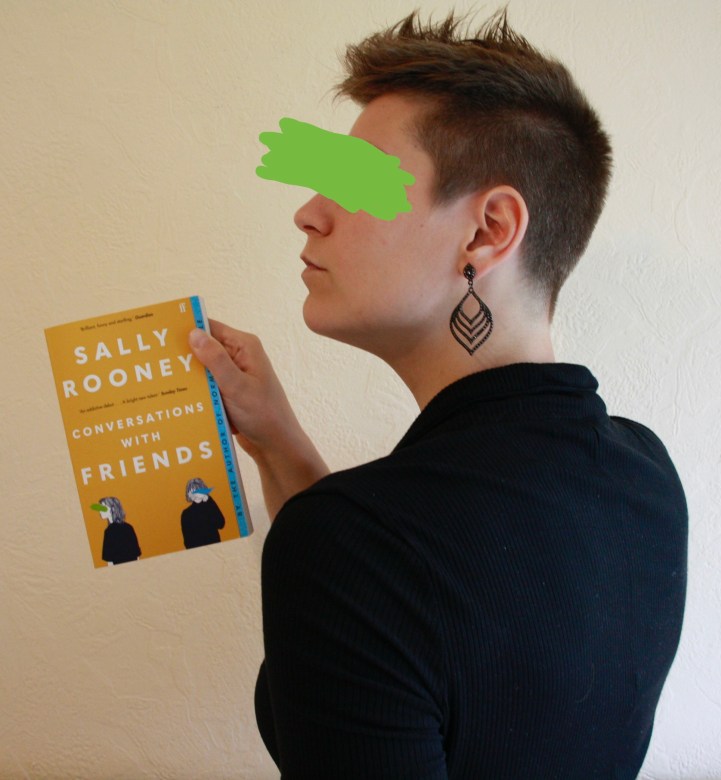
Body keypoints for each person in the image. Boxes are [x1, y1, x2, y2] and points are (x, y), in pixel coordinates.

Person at [189, 9, 688, 778]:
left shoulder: (356, 540)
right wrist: (279, 444)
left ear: (488, 230)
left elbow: (381, 573)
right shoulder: (645, 474)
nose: (309, 211)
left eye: (357, 181)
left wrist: (318, 520)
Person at [180, 477, 226, 548]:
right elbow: (187, 540)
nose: (195, 495)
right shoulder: (186, 513)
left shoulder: (209, 506)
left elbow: (221, 524)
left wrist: (209, 500)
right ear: (188, 494)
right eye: (192, 492)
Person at [95, 496, 141, 565]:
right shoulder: (129, 527)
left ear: (113, 509)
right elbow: (137, 555)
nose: (100, 511)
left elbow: (109, 559)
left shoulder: (109, 531)